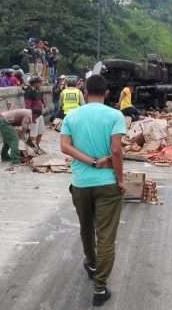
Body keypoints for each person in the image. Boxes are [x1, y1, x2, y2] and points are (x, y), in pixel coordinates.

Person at [60, 75, 126, 307]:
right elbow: (116, 151)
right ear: (107, 93)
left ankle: (91, 263)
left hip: (80, 183)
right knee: (106, 235)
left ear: (85, 92)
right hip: (107, 183)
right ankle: (100, 288)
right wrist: (120, 179)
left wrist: (89, 161)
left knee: (86, 227)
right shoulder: (115, 116)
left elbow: (64, 146)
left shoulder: (72, 115)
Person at [24, 77, 46, 150]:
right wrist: (31, 117)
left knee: (40, 132)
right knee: (33, 133)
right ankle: (30, 148)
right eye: (40, 83)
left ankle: (37, 146)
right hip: (34, 115)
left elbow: (41, 100)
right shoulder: (29, 91)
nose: (41, 84)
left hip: (40, 114)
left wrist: (43, 104)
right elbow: (27, 105)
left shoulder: (38, 91)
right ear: (35, 83)